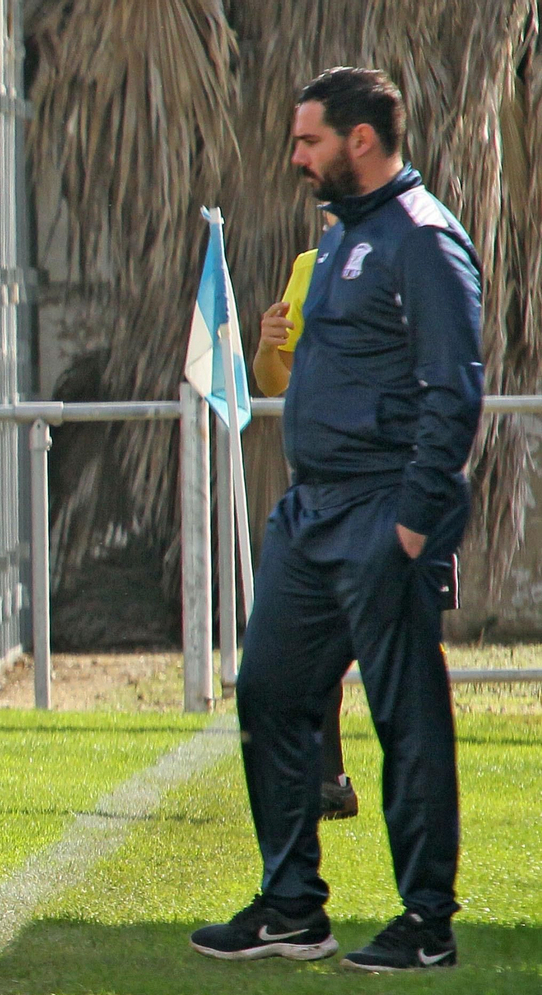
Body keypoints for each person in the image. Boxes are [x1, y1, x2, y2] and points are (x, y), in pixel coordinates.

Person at [190, 68, 482, 972]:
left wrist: (411, 522)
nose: (296, 156)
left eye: (309, 139)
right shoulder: (343, 241)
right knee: (271, 692)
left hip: (380, 513)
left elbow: (454, 391)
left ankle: (426, 921)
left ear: (361, 139)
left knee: (407, 719)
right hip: (308, 515)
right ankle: (290, 908)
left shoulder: (423, 242)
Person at [251, 236, 358, 823]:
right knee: (309, 639)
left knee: (404, 646)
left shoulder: (410, 249)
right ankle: (328, 779)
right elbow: (273, 381)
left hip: (386, 486)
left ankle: (423, 796)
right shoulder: (308, 268)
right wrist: (268, 347)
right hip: (316, 490)